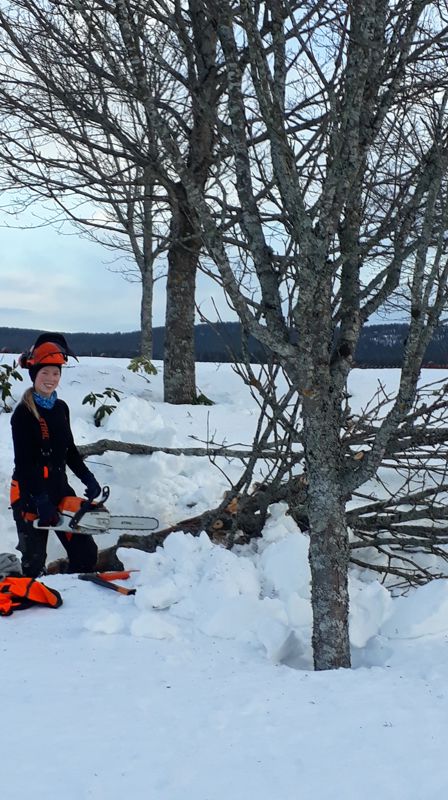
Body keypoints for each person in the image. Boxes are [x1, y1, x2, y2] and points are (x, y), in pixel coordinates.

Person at [10, 332, 101, 577]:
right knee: (33, 563)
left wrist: (88, 479)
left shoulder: (61, 409)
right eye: (45, 373)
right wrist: (40, 500)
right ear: (34, 375)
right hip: (29, 493)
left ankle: (73, 590)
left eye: (56, 373)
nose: (51, 379)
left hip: (60, 490)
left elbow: (69, 451)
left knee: (85, 554)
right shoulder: (23, 414)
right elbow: (24, 463)